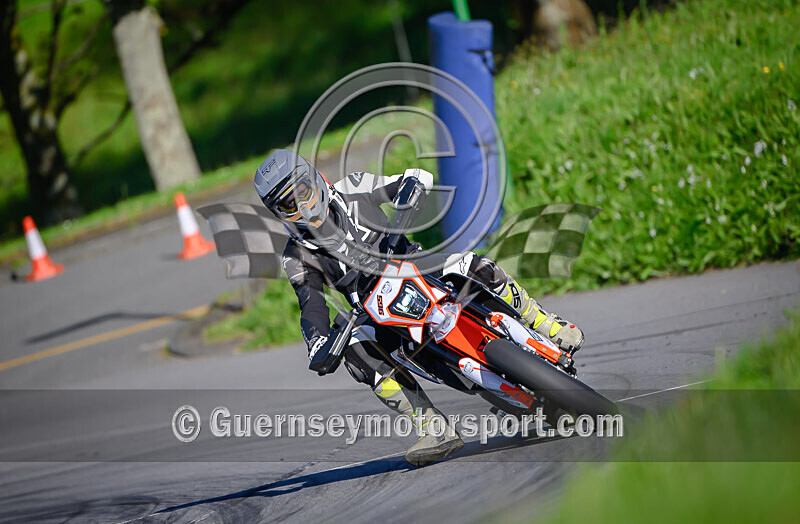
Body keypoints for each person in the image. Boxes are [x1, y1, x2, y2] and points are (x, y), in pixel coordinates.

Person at [254, 149, 584, 466]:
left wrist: (411, 185)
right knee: (355, 350)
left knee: (474, 264)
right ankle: (433, 428)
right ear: (278, 213)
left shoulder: (354, 188)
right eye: (288, 205)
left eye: (303, 192)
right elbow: (310, 303)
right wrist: (318, 342)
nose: (303, 206)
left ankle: (546, 324)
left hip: (414, 262)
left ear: (317, 179)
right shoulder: (295, 255)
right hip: (372, 309)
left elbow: (407, 181)